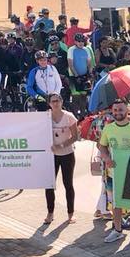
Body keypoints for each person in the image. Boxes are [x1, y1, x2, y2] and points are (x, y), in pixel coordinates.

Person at [100, 99, 130, 244]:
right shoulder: (108, 128)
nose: (117, 113)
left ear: (127, 111)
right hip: (113, 172)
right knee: (116, 203)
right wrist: (106, 157)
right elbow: (102, 146)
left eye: (120, 110)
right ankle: (118, 230)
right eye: (115, 110)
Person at [44, 94, 79, 224]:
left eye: (58, 100)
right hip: (51, 156)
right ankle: (50, 213)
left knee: (68, 184)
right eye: (53, 101)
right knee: (49, 185)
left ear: (61, 101)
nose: (55, 103)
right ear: (49, 104)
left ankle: (70, 214)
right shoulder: (45, 117)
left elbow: (75, 136)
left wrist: (62, 145)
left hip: (67, 154)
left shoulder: (69, 116)